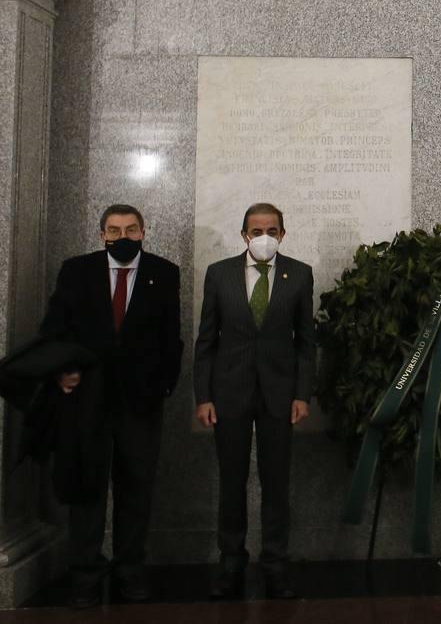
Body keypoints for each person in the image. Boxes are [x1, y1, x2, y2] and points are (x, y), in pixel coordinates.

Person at [41, 204, 182, 608]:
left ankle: (129, 572)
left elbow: (171, 336)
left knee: (136, 489)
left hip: (140, 403)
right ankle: (85, 573)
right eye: (115, 229)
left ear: (143, 232)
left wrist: (165, 386)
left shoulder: (164, 272)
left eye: (132, 229)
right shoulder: (77, 270)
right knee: (88, 489)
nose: (123, 236)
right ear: (102, 233)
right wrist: (63, 371)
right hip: (88, 401)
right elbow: (55, 327)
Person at [193, 203, 315, 600]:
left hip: (280, 395)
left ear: (282, 233)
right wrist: (203, 396)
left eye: (272, 229)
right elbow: (206, 341)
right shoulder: (219, 274)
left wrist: (302, 394)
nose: (264, 236)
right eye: (256, 229)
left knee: (276, 482)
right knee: (231, 482)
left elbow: (306, 344)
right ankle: (231, 562)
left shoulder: (299, 274)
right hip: (229, 394)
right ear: (244, 234)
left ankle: (275, 564)